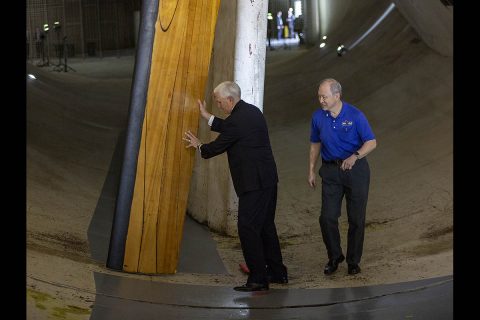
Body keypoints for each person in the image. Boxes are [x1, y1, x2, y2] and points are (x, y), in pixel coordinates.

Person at [184, 81, 288, 292]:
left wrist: (199, 145)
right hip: (268, 180)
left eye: (220, 102)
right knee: (266, 226)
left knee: (248, 228)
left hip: (253, 184)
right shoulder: (251, 112)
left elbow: (216, 147)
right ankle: (277, 272)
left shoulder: (237, 121)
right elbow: (230, 127)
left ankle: (258, 279)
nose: (219, 105)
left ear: (230, 100)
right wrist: (207, 117)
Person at [308, 78, 377, 276]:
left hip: (355, 171)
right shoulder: (318, 117)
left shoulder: (355, 115)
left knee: (356, 218)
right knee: (327, 217)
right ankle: (334, 256)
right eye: (319, 96)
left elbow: (371, 142)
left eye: (325, 96)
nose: (321, 100)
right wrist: (311, 169)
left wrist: (355, 156)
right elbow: (315, 144)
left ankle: (353, 261)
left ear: (337, 96)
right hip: (330, 171)